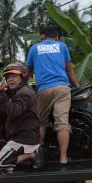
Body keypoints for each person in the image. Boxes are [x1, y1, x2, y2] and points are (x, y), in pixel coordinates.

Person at [26, 26, 80, 164]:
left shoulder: (34, 48)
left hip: (44, 89)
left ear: (43, 36)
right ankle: (63, 158)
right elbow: (69, 70)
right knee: (62, 123)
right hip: (62, 88)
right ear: (57, 37)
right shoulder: (62, 46)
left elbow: (28, 72)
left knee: (41, 122)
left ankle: (37, 155)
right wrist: (78, 87)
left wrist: (22, 87)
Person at [0, 63, 40, 170]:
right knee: (5, 165)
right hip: (22, 137)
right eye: (8, 77)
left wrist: (0, 93)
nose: (10, 80)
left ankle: (32, 155)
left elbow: (14, 111)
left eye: (14, 76)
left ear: (23, 77)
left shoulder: (24, 93)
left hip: (23, 139)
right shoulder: (21, 90)